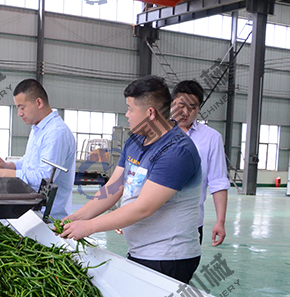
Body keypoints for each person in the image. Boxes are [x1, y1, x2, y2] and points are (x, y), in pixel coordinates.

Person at [60, 76, 203, 284]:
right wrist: (76, 218)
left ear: (150, 113)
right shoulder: (135, 140)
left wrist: (89, 227)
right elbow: (113, 188)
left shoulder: (177, 151)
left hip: (168, 256)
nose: (127, 115)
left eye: (130, 109)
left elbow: (143, 208)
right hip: (141, 250)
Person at [0, 79, 76, 219]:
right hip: (33, 210)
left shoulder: (56, 133)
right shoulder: (38, 128)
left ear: (38, 103)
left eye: (22, 107)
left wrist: (4, 174)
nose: (19, 113)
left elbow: (43, 178)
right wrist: (8, 166)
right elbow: (29, 162)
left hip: (48, 218)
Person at [171, 80, 229, 246]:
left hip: (191, 223)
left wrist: (220, 221)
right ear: (171, 103)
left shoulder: (211, 138)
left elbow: (218, 181)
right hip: (155, 220)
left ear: (199, 108)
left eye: (192, 107)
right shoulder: (157, 133)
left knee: (187, 262)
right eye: (181, 105)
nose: (185, 112)